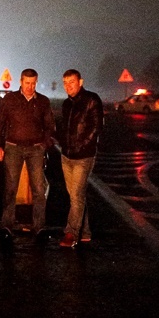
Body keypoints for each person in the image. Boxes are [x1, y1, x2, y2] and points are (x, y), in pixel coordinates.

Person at [0, 69, 55, 239]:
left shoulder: (43, 101)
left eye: (33, 83)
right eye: (27, 83)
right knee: (10, 188)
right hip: (13, 147)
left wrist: (44, 144)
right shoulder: (10, 100)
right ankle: (7, 225)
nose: (30, 86)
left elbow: (50, 126)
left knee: (38, 189)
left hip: (35, 149)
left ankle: (39, 226)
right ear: (21, 82)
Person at [57, 69, 104, 248]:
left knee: (76, 195)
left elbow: (97, 127)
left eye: (72, 82)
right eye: (65, 83)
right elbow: (64, 127)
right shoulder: (66, 104)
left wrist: (82, 145)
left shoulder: (92, 100)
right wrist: (61, 142)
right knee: (76, 196)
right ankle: (85, 232)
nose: (68, 86)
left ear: (80, 82)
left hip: (84, 156)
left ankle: (71, 233)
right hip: (66, 156)